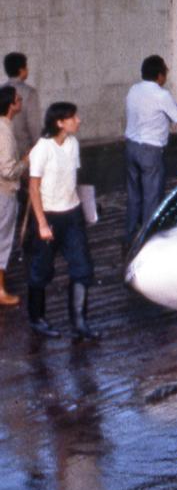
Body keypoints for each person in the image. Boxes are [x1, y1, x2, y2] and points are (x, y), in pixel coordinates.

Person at [28, 102, 99, 340]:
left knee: (82, 267)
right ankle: (37, 318)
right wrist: (41, 223)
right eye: (73, 117)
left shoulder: (73, 143)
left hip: (72, 213)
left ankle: (80, 322)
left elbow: (73, 179)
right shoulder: (42, 148)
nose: (78, 120)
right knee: (41, 269)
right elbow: (33, 188)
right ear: (60, 122)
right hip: (49, 215)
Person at [124, 55, 177, 251]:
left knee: (134, 196)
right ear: (160, 75)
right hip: (150, 151)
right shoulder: (162, 95)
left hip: (130, 147)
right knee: (151, 199)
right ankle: (146, 244)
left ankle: (129, 238)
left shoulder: (133, 90)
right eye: (165, 73)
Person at [0, 86, 27, 307]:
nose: (21, 101)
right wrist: (26, 162)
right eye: (18, 99)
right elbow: (8, 171)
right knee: (2, 241)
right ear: (11, 105)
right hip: (4, 193)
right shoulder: (5, 131)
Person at [4, 52, 41, 157]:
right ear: (21, 70)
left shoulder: (2, 91)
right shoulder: (30, 93)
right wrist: (39, 149)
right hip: (24, 151)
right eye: (26, 67)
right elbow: (34, 125)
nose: (28, 70)